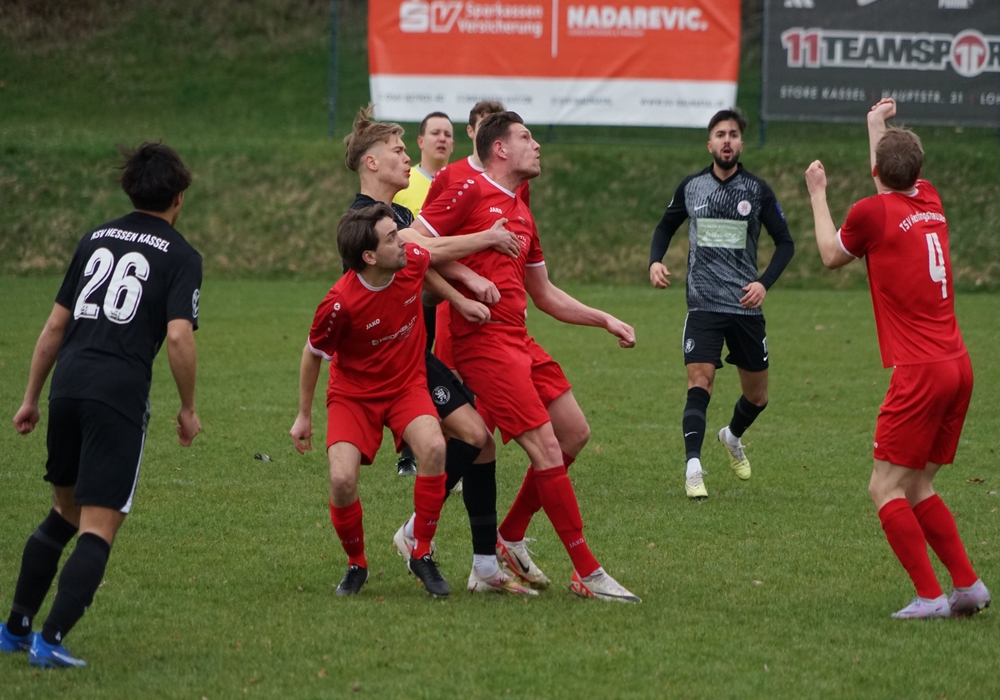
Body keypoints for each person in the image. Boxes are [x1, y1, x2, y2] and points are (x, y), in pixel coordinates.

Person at [412, 111, 641, 603]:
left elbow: (545, 294)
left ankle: (509, 535)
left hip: (520, 339)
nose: (536, 145)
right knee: (544, 448)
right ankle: (588, 572)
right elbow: (413, 241)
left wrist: (604, 319)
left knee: (574, 432)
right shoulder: (467, 188)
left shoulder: (521, 209)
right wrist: (466, 282)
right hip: (484, 344)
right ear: (500, 148)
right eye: (526, 137)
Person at [0, 142, 202, 668]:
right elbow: (178, 336)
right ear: (179, 197)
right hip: (117, 393)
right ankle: (50, 640)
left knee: (64, 511)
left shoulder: (95, 239)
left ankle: (15, 628)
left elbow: (54, 326)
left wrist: (30, 398)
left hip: (67, 384)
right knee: (98, 525)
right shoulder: (182, 255)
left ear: (129, 190)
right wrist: (188, 407)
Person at [324, 106, 533, 595]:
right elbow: (424, 252)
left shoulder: (399, 215)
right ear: (371, 163)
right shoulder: (363, 219)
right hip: (379, 367)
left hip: (410, 353)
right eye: (398, 151)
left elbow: (421, 260)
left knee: (476, 438)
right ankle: (399, 546)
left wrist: (460, 291)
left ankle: (472, 559)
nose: (407, 158)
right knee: (464, 438)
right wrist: (481, 250)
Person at [804, 98, 990, 619]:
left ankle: (930, 597)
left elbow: (830, 254)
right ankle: (968, 586)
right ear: (918, 169)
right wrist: (875, 125)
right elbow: (890, 180)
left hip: (921, 371)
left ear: (875, 172)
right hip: (958, 365)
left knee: (884, 487)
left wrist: (817, 194)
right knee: (918, 483)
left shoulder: (871, 214)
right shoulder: (929, 197)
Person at [289, 204, 494, 597]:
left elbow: (430, 260)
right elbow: (313, 353)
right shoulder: (340, 303)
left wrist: (460, 298)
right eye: (392, 238)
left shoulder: (408, 259)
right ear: (369, 257)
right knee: (341, 479)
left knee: (434, 447)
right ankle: (357, 564)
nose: (404, 242)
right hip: (353, 395)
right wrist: (303, 415)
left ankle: (422, 552)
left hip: (406, 385)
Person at [648, 108, 794, 500]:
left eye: (732, 134)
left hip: (745, 306)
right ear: (709, 144)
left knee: (758, 397)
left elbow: (786, 243)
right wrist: (655, 261)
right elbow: (665, 226)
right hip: (703, 305)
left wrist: (763, 283)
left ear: (740, 144)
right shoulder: (692, 187)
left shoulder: (758, 191)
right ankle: (693, 467)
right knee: (700, 382)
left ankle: (731, 435)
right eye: (720, 134)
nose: (726, 140)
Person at [424, 100, 531, 375]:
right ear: (472, 131)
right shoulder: (451, 176)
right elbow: (422, 237)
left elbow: (520, 239)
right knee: (453, 371)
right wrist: (460, 276)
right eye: (485, 125)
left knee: (500, 375)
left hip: (501, 298)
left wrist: (516, 292)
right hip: (456, 291)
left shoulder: (518, 181)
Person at [392, 111, 455, 218]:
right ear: (420, 141)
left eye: (447, 135)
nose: (442, 139)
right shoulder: (401, 181)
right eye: (435, 133)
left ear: (452, 145)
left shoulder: (463, 184)